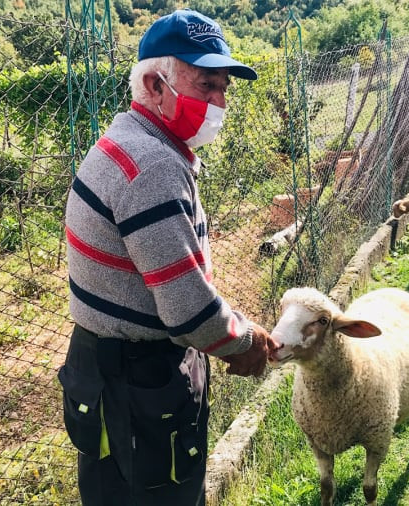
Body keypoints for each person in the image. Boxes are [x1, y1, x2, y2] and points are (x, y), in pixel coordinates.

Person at [58, 9, 279, 506]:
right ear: (157, 86)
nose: (220, 102)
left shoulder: (127, 141)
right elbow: (187, 311)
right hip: (139, 386)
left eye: (225, 88)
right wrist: (245, 341)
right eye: (206, 85)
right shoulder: (154, 165)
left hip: (107, 376)